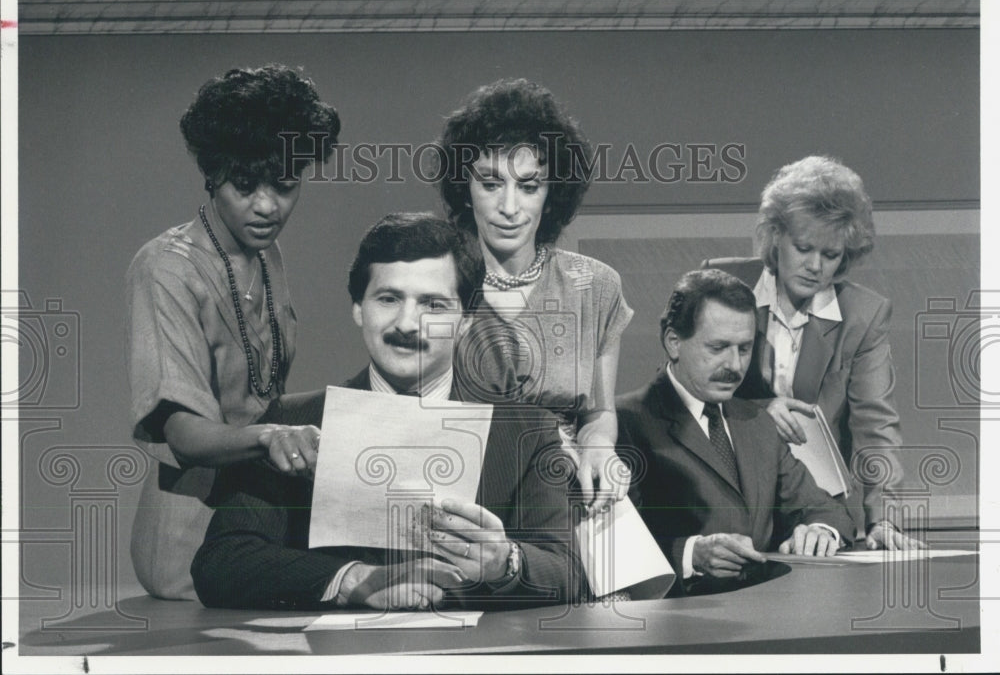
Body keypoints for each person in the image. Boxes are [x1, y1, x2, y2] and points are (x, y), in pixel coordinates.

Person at [191, 213, 581, 611]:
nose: (407, 324)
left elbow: (567, 571)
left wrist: (506, 563)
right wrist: (348, 579)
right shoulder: (293, 420)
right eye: (389, 299)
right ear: (359, 308)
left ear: (464, 322)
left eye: (433, 304)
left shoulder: (528, 431)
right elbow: (220, 563)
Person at [126, 64, 341, 599]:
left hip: (261, 519)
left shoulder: (267, 254)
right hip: (190, 543)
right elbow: (183, 434)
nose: (267, 205)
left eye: (286, 185)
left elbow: (266, 397)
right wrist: (274, 437)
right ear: (213, 174)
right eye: (245, 185)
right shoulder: (165, 268)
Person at [702, 155, 922, 550]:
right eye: (803, 248)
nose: (815, 266)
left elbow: (876, 427)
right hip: (732, 500)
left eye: (831, 254)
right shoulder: (720, 284)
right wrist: (757, 412)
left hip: (822, 510)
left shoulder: (865, 315)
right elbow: (680, 389)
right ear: (775, 237)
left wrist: (885, 520)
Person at [438, 78, 633, 511]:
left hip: (570, 491)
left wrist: (600, 445)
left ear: (552, 193)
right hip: (464, 490)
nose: (510, 206)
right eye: (490, 184)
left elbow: (599, 414)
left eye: (529, 186)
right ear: (464, 189)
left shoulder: (595, 287)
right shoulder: (436, 283)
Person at [616, 269, 855, 595]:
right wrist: (690, 555)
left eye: (744, 349)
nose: (735, 365)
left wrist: (819, 530)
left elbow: (824, 508)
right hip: (681, 625)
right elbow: (612, 550)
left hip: (771, 617)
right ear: (674, 342)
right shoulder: (624, 422)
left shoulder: (757, 421)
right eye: (718, 348)